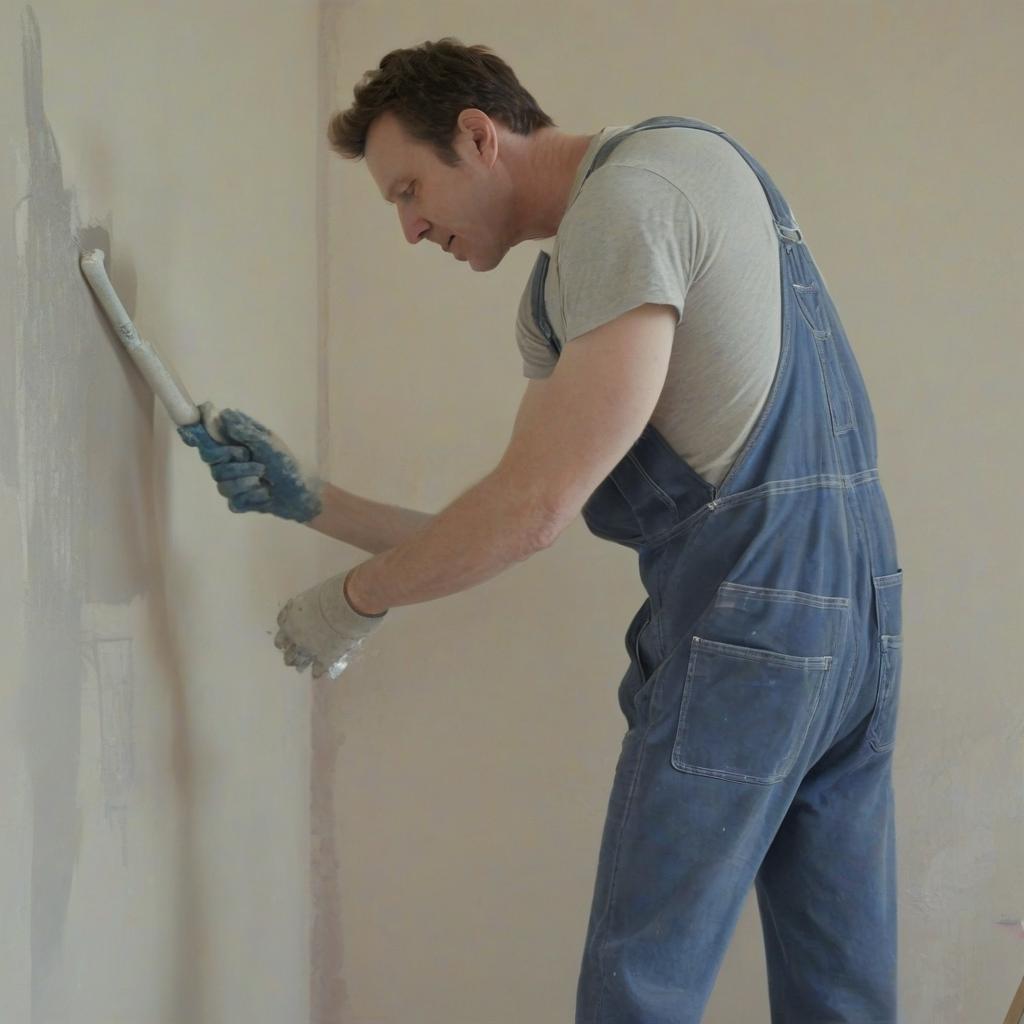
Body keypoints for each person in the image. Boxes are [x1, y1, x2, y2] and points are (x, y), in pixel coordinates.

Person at [179, 37, 904, 1024]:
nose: (406, 227)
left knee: (637, 987)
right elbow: (512, 510)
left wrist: (350, 602)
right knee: (841, 993)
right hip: (856, 619)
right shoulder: (685, 166)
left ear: (478, 135)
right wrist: (316, 500)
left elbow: (529, 514)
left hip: (746, 639)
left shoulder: (622, 208)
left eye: (407, 188)